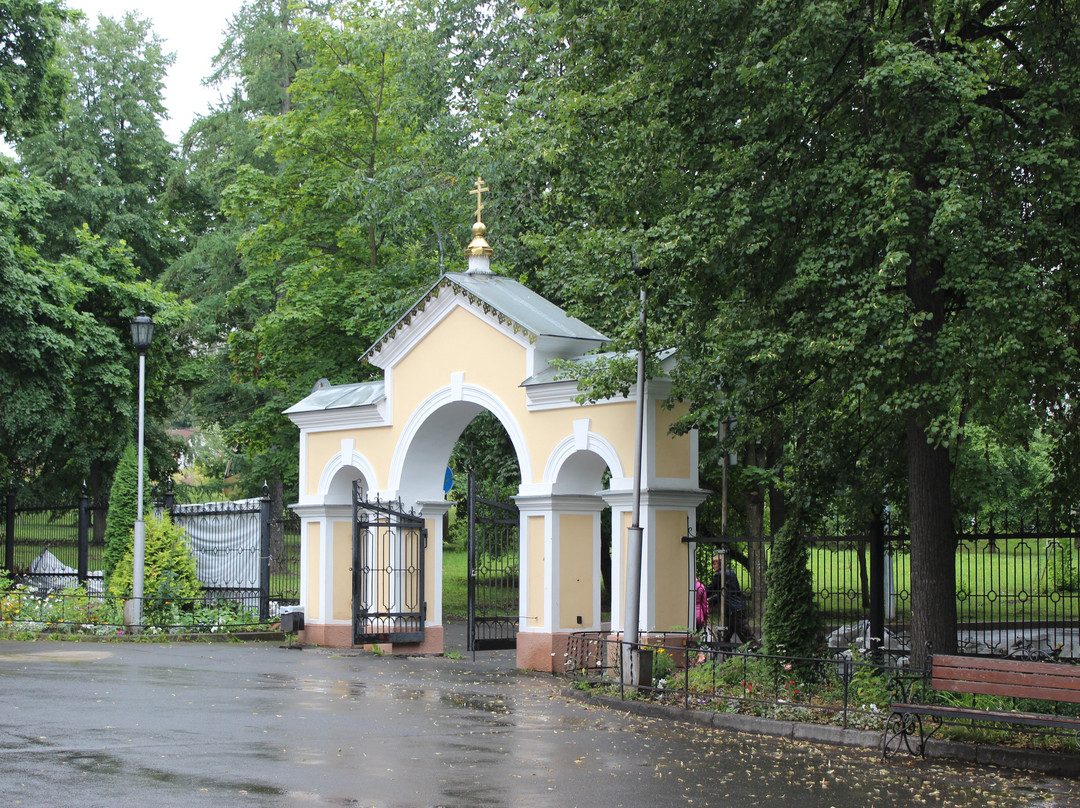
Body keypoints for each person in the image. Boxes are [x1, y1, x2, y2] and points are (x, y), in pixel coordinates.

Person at [706, 552, 753, 645]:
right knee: (725, 637)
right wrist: (711, 600)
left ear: (720, 563)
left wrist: (700, 594)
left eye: (714, 563)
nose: (713, 566)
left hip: (733, 609)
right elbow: (723, 593)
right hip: (734, 608)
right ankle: (727, 655)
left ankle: (757, 652)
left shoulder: (720, 575)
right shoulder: (730, 573)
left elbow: (710, 589)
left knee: (746, 636)